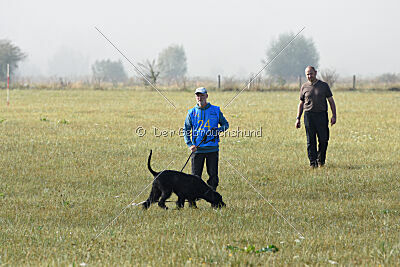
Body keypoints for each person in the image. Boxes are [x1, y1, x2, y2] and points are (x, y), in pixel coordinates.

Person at [183, 87, 229, 190]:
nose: (199, 97)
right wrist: (190, 144)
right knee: (195, 177)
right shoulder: (191, 112)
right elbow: (186, 130)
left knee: (213, 176)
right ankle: (192, 202)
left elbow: (225, 124)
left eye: (202, 95)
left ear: (206, 96)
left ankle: (213, 198)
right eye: (197, 95)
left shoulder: (216, 110)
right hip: (197, 150)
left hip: (212, 149)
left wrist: (218, 130)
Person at [296, 66, 337, 168]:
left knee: (323, 140)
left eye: (311, 73)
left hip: (321, 115)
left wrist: (334, 116)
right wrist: (298, 118)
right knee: (311, 141)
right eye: (307, 74)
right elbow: (301, 103)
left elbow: (331, 101)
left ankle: (321, 160)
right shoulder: (304, 87)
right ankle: (312, 163)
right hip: (309, 116)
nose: (309, 76)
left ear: (315, 73)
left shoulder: (324, 86)